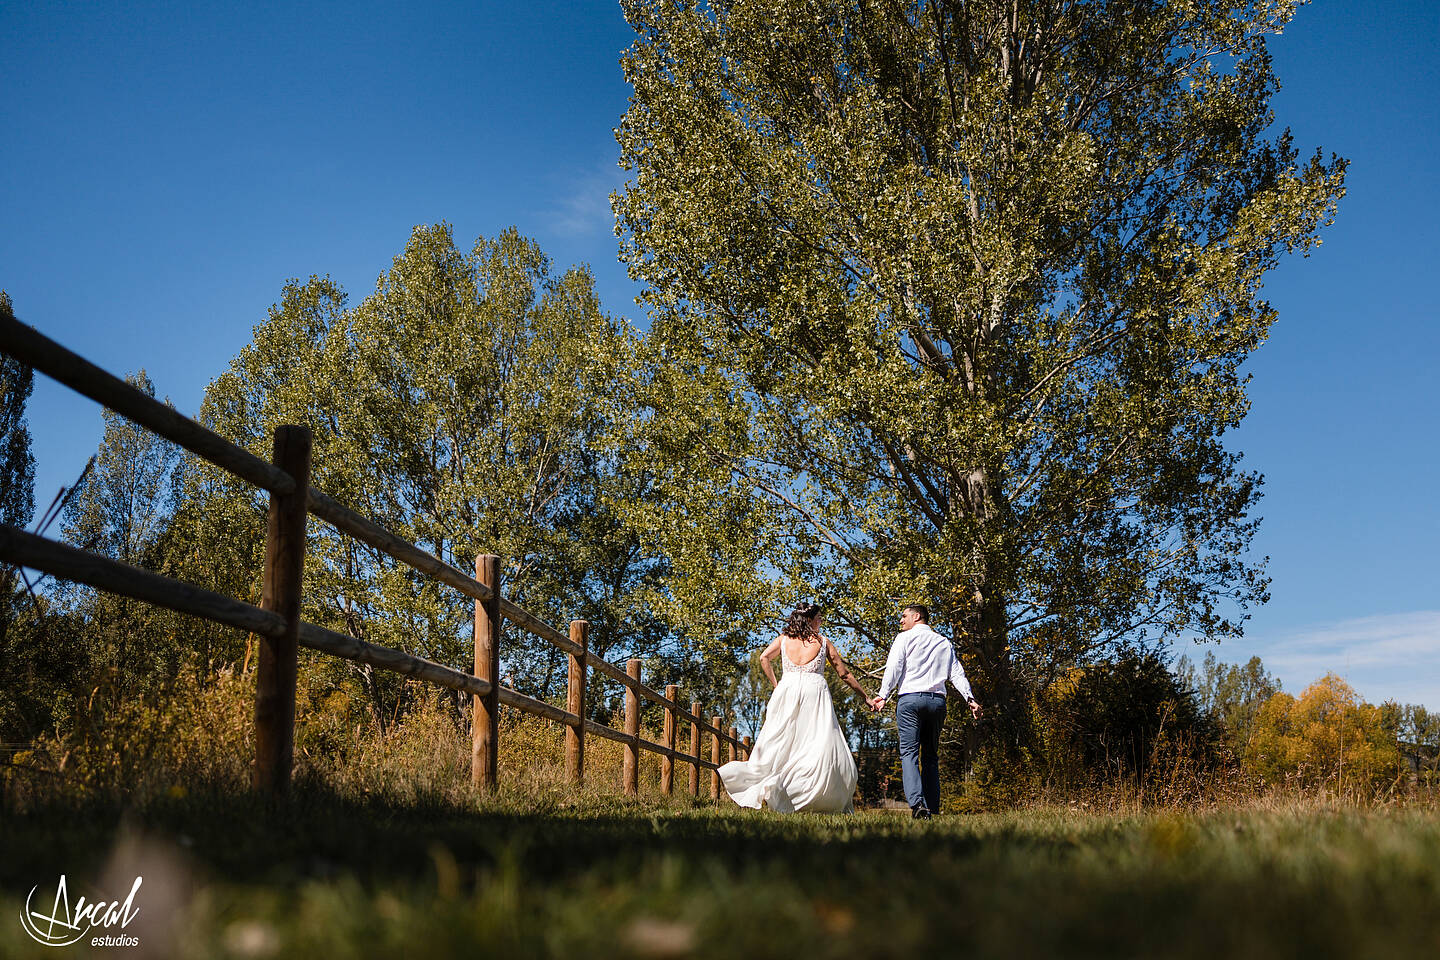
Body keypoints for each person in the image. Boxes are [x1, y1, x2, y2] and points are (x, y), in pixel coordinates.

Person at [719, 603, 871, 813]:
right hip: (814, 694)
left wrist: (777, 684)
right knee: (815, 743)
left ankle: (783, 790)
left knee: (781, 743)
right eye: (819, 617)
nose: (821, 621)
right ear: (809, 620)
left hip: (787, 692)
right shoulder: (824, 642)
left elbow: (764, 658)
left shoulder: (783, 640)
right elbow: (844, 674)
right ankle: (809, 794)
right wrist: (866, 697)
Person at [869, 604, 982, 819]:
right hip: (937, 702)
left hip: (910, 700)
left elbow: (894, 667)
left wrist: (883, 695)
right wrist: (970, 698)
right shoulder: (943, 641)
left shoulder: (904, 639)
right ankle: (934, 807)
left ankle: (918, 806)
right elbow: (957, 673)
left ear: (916, 616)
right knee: (930, 755)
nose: (901, 621)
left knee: (909, 754)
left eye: (904, 616)